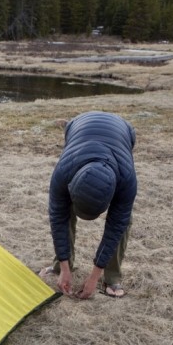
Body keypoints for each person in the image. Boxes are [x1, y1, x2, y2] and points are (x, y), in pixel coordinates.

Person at [41, 111, 137, 299]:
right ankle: (60, 265)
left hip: (123, 131)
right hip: (77, 127)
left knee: (123, 221)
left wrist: (95, 276)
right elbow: (58, 218)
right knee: (63, 211)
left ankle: (112, 278)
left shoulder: (126, 180)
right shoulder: (63, 172)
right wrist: (64, 266)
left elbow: (115, 226)